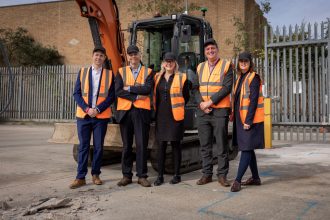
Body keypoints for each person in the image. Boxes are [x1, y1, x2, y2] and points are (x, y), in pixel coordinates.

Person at [70, 46, 115, 189]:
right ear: (92, 56)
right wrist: (87, 109)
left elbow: (112, 96)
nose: (98, 58)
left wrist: (98, 109)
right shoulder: (83, 72)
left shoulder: (109, 74)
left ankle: (96, 174)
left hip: (100, 117)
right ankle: (80, 177)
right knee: (83, 146)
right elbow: (76, 93)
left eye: (101, 56)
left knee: (98, 147)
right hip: (84, 116)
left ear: (104, 59)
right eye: (96, 55)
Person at [193, 38, 233, 187]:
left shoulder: (227, 66)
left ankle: (222, 175)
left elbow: (227, 88)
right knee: (205, 145)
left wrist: (210, 102)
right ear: (205, 52)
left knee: (221, 145)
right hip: (203, 112)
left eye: (212, 49)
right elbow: (195, 88)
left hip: (220, 111)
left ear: (217, 49)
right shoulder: (200, 67)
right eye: (207, 49)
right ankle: (207, 174)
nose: (210, 51)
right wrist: (202, 104)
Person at [115, 45, 153, 187]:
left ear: (139, 55)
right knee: (126, 146)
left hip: (142, 113)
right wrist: (136, 96)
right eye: (130, 55)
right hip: (125, 113)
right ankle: (126, 175)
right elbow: (118, 91)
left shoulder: (148, 72)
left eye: (135, 54)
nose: (133, 57)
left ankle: (142, 176)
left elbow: (147, 89)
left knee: (141, 145)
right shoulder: (121, 72)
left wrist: (130, 88)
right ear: (128, 57)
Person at [153, 52, 190, 186]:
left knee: (175, 146)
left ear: (175, 63)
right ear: (163, 63)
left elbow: (186, 96)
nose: (168, 63)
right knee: (161, 146)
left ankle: (176, 175)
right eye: (166, 61)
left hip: (175, 116)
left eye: (171, 61)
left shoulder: (182, 77)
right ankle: (160, 176)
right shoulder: (157, 77)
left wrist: (177, 107)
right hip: (161, 116)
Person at [230, 51, 264, 192]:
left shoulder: (253, 78)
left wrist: (248, 120)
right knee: (248, 148)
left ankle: (237, 181)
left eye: (246, 61)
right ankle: (255, 178)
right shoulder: (240, 78)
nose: (243, 63)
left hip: (250, 120)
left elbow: (254, 101)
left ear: (250, 63)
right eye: (241, 61)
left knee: (246, 149)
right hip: (241, 119)